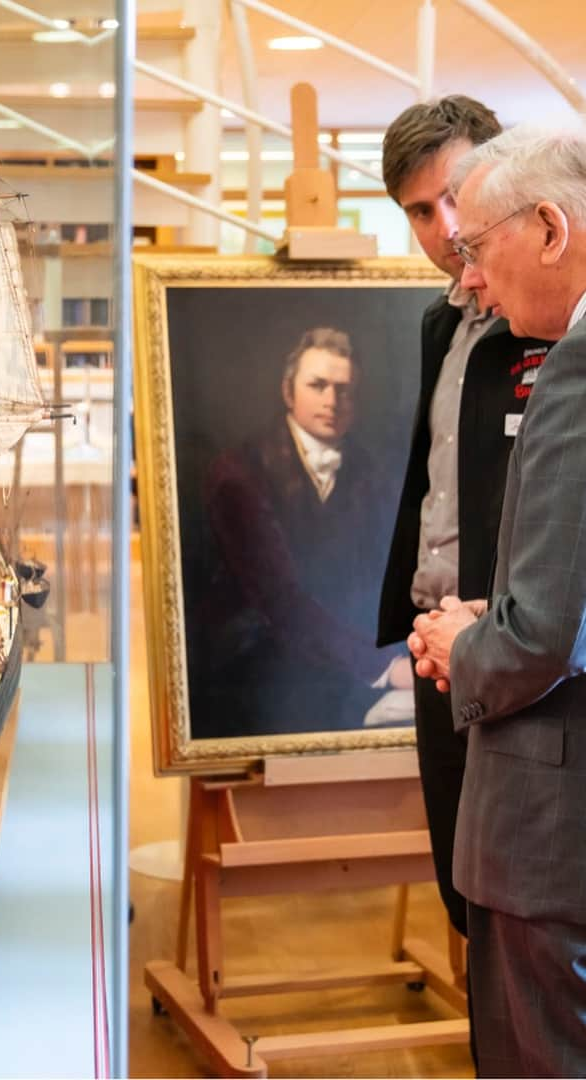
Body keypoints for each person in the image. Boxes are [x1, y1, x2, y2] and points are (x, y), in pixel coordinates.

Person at [409, 124, 586, 1076]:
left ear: (550, 229)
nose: (468, 279)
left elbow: (544, 636)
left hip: (549, 831)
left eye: (476, 248)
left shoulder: (576, 375)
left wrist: (461, 641)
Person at [376, 96, 552, 941]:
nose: (445, 226)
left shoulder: (551, 327)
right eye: (418, 210)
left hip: (517, 650)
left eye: (455, 194)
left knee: (521, 909)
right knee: (461, 891)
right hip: (436, 650)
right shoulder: (438, 321)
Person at [198, 327, 411, 738]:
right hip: (259, 671)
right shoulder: (238, 474)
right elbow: (279, 600)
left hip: (353, 668)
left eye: (345, 390)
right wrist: (383, 666)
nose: (332, 401)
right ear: (287, 391)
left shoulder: (374, 472)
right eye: (318, 386)